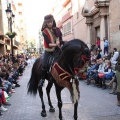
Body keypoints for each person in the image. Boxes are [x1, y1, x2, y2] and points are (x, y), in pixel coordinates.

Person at [39, 14, 63, 87]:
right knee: (44, 63)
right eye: (48, 22)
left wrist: (59, 40)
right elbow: (49, 44)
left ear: (53, 21)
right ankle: (42, 79)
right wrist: (56, 44)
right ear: (46, 23)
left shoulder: (56, 29)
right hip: (48, 50)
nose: (50, 23)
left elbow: (58, 38)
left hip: (56, 50)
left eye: (51, 22)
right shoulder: (44, 31)